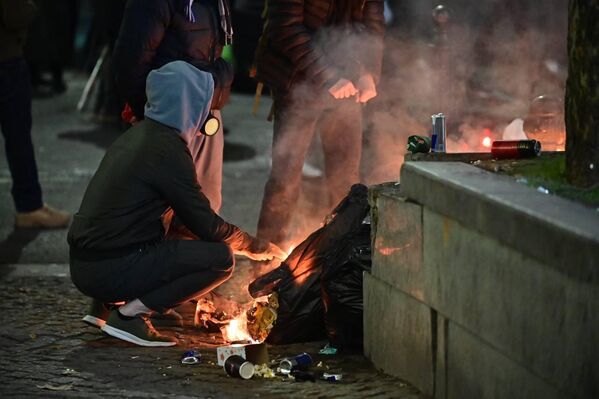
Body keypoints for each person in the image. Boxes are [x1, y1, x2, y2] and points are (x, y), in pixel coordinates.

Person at [68, 61, 285, 347]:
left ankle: (105, 306)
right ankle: (130, 315)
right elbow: (205, 222)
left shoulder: (141, 134)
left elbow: (185, 221)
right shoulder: (167, 150)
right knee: (220, 260)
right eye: (204, 102)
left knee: (189, 241)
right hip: (107, 268)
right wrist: (252, 245)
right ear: (189, 104)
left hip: (87, 262)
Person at [253, 0, 385, 250]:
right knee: (286, 177)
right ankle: (267, 257)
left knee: (346, 179)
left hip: (348, 81)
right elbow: (285, 28)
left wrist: (368, 72)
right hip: (296, 80)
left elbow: (373, 26)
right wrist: (329, 76)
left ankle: (340, 256)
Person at [112, 0, 234, 213]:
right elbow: (130, 61)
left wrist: (217, 88)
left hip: (204, 108)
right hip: (170, 118)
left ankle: (197, 245)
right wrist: (153, 117)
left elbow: (211, 53)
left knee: (203, 206)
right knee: (166, 209)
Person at [0, 0, 70, 228]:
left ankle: (31, 203)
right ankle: (29, 205)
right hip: (6, 58)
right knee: (18, 135)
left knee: (18, 135)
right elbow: (16, 13)